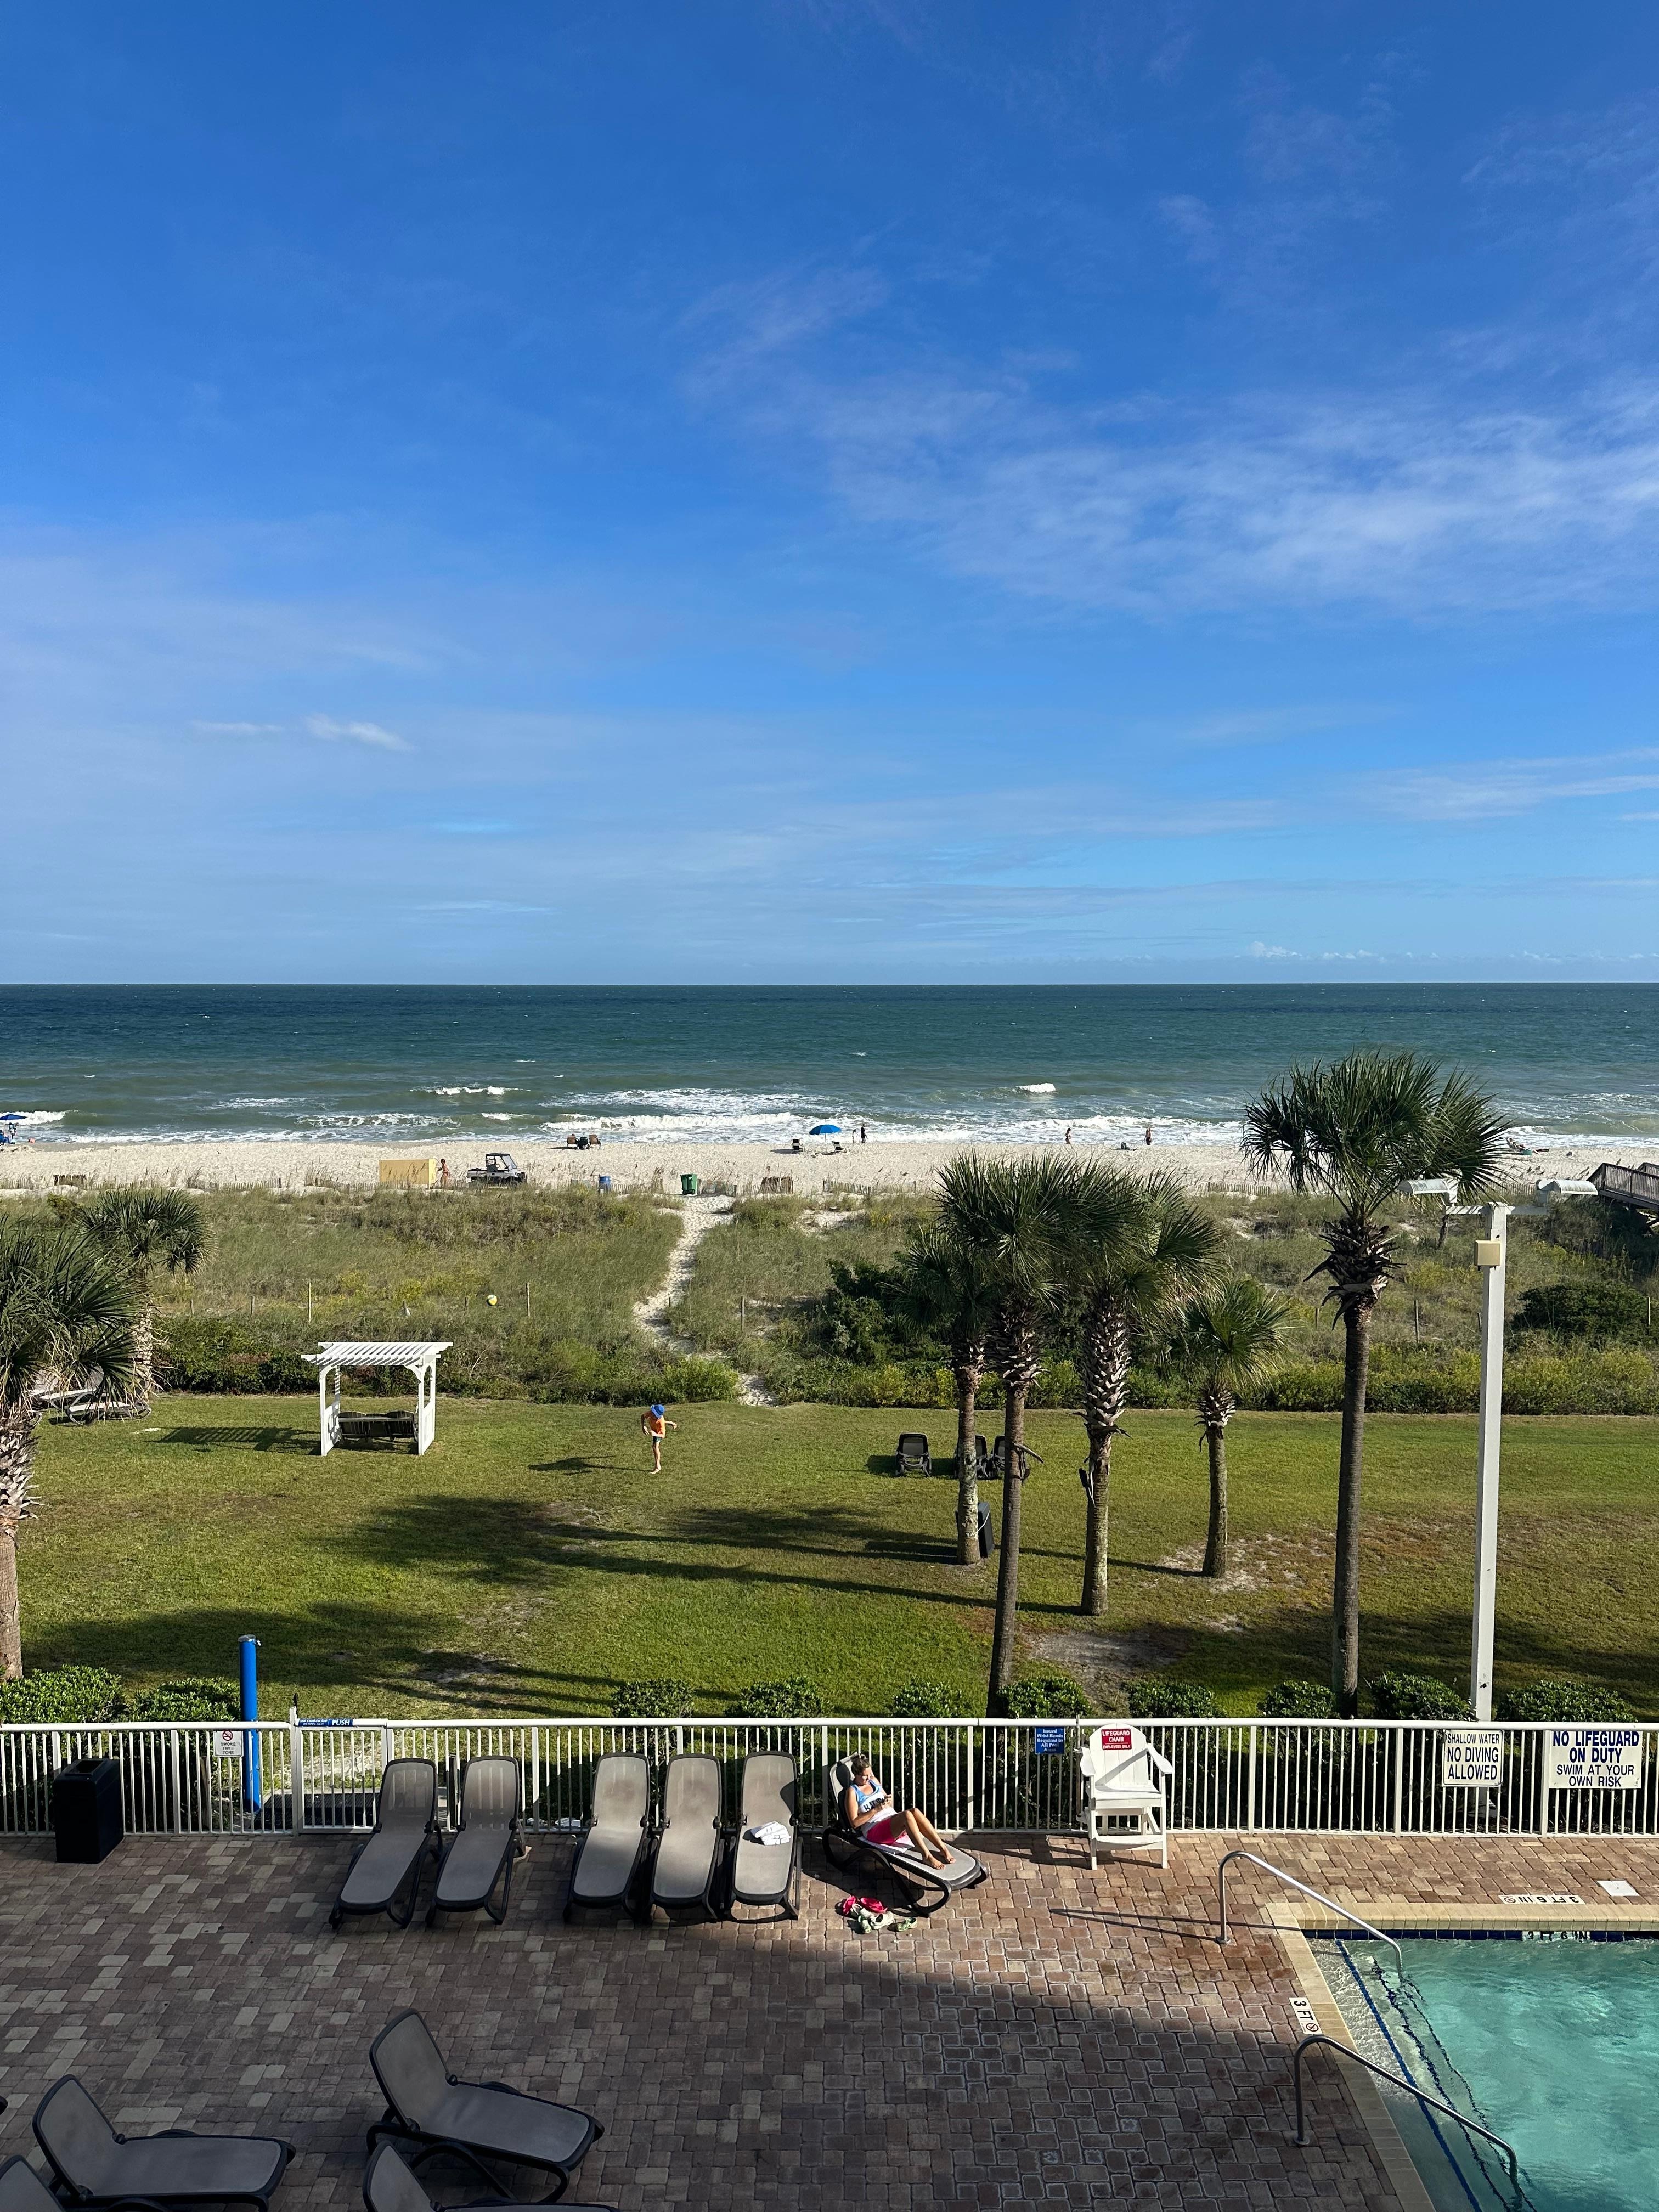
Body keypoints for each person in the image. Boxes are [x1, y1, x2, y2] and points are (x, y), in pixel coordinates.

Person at [842, 1751, 951, 1867]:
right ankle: (927, 1856)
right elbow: (854, 1823)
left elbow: (887, 1801)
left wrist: (888, 1801)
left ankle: (943, 1848)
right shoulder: (852, 1792)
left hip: (888, 1820)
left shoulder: (873, 1781)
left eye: (870, 1774)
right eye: (865, 1776)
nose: (869, 1778)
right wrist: (875, 1810)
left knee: (914, 1811)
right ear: (856, 1774)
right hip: (873, 1830)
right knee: (907, 1815)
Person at [641, 1402, 678, 1471]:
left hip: (657, 1431)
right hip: (655, 1427)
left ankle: (658, 1467)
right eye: (652, 1413)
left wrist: (655, 1434)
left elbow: (663, 1435)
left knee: (655, 1447)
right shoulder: (651, 1413)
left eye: (654, 1415)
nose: (652, 1415)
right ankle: (671, 1423)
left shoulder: (661, 1422)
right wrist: (643, 1426)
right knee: (654, 1447)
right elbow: (643, 1416)